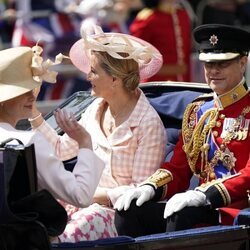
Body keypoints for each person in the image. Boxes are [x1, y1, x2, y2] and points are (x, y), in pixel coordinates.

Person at [29, 24, 167, 242]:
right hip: (82, 203)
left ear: (115, 79)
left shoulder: (148, 123)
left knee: (65, 237)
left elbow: (140, 191)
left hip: (118, 216)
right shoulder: (95, 108)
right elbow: (61, 149)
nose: (88, 77)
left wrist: (86, 195)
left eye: (94, 71)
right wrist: (32, 110)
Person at [114, 24, 250, 236]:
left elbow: (248, 175)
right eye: (208, 64)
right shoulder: (198, 111)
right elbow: (178, 168)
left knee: (181, 215)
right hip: (198, 206)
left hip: (236, 212)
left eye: (222, 64)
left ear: (243, 63)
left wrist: (205, 195)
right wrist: (150, 187)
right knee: (129, 211)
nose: (213, 71)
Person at [0, 45, 104, 209]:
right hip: (23, 232)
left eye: (31, 89)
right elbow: (80, 196)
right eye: (22, 91)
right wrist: (85, 143)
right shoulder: (29, 141)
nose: (32, 96)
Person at [129, 0, 192, 82]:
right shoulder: (147, 19)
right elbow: (136, 56)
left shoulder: (182, 15)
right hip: (156, 82)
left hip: (183, 80)